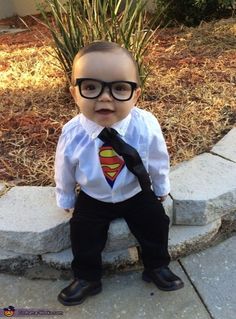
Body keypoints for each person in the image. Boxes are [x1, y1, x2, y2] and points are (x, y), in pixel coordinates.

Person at [55, 41, 184, 306]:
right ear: (74, 94)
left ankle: (157, 265)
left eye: (119, 88)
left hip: (134, 190)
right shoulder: (72, 133)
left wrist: (161, 189)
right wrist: (66, 198)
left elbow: (159, 159)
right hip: (94, 195)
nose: (105, 97)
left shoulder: (146, 125)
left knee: (156, 223)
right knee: (82, 232)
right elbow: (64, 168)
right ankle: (87, 277)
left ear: (136, 95)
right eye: (90, 87)